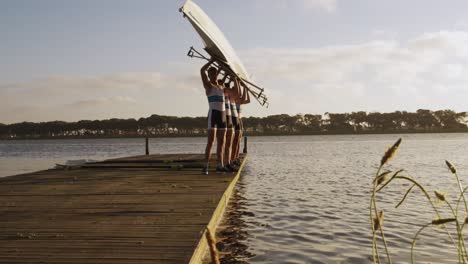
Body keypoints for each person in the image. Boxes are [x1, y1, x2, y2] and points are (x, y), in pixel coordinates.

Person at [200, 59, 231, 175]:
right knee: (211, 141)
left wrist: (224, 68)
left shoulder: (221, 86)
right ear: (209, 75)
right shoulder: (208, 86)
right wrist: (212, 60)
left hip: (222, 115)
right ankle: (205, 166)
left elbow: (225, 74)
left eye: (215, 73)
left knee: (222, 142)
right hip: (213, 114)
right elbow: (202, 70)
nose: (214, 75)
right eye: (212, 74)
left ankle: (220, 165)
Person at [232, 81, 250, 166]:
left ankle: (236, 157)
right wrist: (244, 88)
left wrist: (246, 89)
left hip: (239, 120)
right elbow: (243, 97)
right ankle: (233, 158)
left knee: (238, 140)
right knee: (234, 140)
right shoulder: (233, 100)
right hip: (234, 119)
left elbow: (248, 100)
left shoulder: (239, 100)